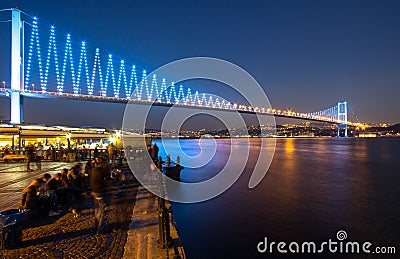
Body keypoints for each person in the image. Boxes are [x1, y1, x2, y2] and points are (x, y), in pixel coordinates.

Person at [90, 160, 111, 234]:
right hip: (100, 192)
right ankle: (101, 228)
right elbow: (106, 180)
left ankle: (96, 225)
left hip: (94, 191)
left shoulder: (93, 170)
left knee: (97, 209)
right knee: (102, 210)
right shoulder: (102, 171)